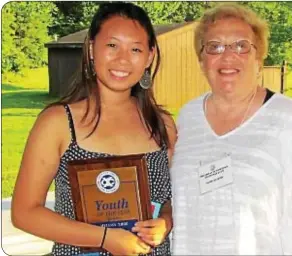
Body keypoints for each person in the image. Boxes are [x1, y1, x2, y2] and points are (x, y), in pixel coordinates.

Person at [11, 2, 176, 256]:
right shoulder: (57, 123)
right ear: (91, 49)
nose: (122, 59)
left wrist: (166, 221)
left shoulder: (162, 124)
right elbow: (24, 213)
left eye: (135, 49)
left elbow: (174, 198)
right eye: (112, 45)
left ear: (149, 57)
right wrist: (105, 238)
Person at [170, 3, 292, 255]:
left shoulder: (286, 119)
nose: (228, 56)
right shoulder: (187, 117)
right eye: (214, 46)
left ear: (259, 58)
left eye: (241, 46)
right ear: (201, 59)